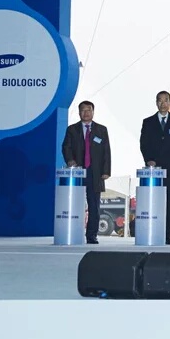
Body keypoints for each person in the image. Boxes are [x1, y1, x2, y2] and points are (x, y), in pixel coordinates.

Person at [139, 90, 170, 245]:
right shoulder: (148, 122)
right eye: (160, 100)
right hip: (153, 170)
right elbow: (143, 144)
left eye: (166, 100)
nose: (163, 103)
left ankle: (167, 236)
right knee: (153, 202)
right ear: (156, 102)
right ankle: (152, 232)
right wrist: (148, 160)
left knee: (169, 203)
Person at [61, 100, 112, 244]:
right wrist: (70, 160)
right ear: (79, 113)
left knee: (94, 206)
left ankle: (92, 235)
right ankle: (73, 233)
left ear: (93, 112)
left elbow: (106, 151)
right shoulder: (72, 129)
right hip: (77, 173)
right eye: (83, 110)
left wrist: (106, 171)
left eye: (89, 110)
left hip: (95, 173)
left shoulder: (102, 130)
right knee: (75, 204)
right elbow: (66, 147)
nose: (86, 113)